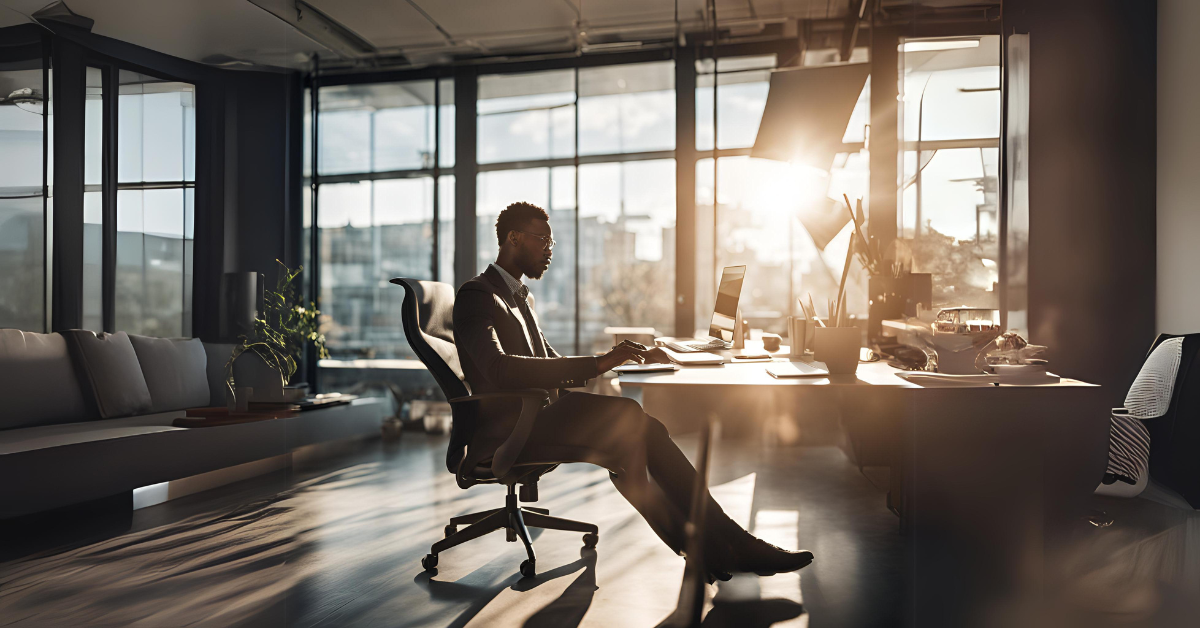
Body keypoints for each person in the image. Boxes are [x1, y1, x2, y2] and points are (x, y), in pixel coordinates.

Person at [452, 201, 813, 579]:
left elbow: (548, 359)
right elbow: (497, 369)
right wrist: (598, 364)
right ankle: (731, 546)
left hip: (540, 417)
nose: (549, 250)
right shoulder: (477, 295)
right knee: (630, 420)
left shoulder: (518, 295)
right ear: (513, 238)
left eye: (552, 243)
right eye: (543, 240)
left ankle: (712, 548)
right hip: (511, 428)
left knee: (633, 443)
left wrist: (622, 358)